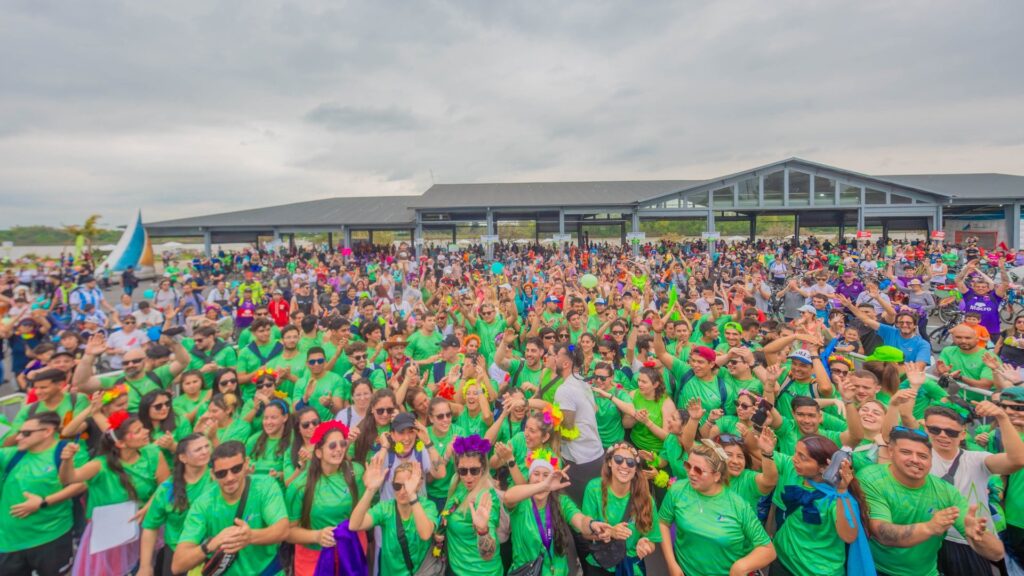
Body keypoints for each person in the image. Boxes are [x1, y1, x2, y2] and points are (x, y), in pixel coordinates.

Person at [858, 427, 1006, 576]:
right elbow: (882, 533)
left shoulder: (946, 492)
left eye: (922, 456)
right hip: (877, 570)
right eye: (906, 452)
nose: (915, 460)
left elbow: (997, 554)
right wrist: (930, 527)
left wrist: (979, 538)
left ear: (931, 459)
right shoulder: (872, 478)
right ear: (891, 451)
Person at [59, 411, 170, 576]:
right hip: (111, 532)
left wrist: (147, 508)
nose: (146, 431)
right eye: (138, 431)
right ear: (121, 444)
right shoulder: (100, 465)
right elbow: (69, 478)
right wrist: (67, 460)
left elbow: (166, 485)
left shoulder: (153, 453)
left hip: (146, 524)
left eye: (143, 428)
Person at [923, 402, 1024, 574]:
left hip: (971, 541)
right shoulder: (918, 459)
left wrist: (1002, 418)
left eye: (951, 432)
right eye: (935, 429)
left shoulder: (976, 459)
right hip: (929, 539)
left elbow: (1017, 460)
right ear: (926, 429)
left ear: (963, 434)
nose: (942, 435)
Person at [658, 440, 775, 576]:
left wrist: (740, 567)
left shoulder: (738, 505)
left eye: (698, 470)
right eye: (688, 465)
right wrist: (672, 564)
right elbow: (663, 523)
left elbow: (768, 549)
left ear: (716, 476)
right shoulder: (678, 489)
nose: (691, 473)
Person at [173, 440, 289, 575]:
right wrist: (211, 544)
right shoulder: (203, 504)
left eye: (236, 469)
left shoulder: (265, 486)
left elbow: (283, 529)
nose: (229, 478)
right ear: (212, 474)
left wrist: (250, 536)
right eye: (221, 473)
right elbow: (178, 565)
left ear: (246, 464)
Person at [771, 435, 872, 576]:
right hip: (782, 561)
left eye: (802, 457)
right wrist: (766, 451)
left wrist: (842, 492)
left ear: (824, 468)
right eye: (795, 452)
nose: (794, 458)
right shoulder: (797, 475)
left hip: (815, 571)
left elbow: (849, 536)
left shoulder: (836, 499)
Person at [0, 411, 87, 576]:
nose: (18, 438)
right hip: (8, 542)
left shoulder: (66, 452)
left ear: (47, 432)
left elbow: (81, 483)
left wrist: (43, 502)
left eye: (26, 433)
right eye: (19, 433)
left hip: (51, 537)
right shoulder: (12, 454)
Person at [285, 421, 363, 576]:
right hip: (312, 557)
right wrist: (317, 536)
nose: (339, 449)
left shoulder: (357, 473)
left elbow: (362, 516)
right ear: (318, 453)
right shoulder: (299, 486)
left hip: (349, 552)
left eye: (342, 444)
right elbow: (288, 532)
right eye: (332, 446)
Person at [581, 442, 661, 575]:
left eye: (630, 462)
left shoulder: (646, 499)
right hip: (600, 564)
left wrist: (645, 545)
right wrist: (610, 532)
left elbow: (652, 540)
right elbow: (585, 533)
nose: (624, 465)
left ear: (635, 469)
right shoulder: (594, 488)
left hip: (630, 566)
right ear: (610, 462)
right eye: (618, 459)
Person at [138, 433, 213, 576]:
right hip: (177, 554)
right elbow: (150, 526)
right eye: (198, 450)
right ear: (183, 457)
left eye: (206, 447)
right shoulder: (167, 489)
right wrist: (145, 566)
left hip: (210, 553)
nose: (205, 452)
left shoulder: (217, 478)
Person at [350, 459, 438, 576]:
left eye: (406, 486)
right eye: (397, 486)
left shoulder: (427, 506)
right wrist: (370, 490)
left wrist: (412, 495)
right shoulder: (385, 509)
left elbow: (425, 534)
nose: (402, 491)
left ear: (418, 485)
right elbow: (354, 525)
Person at [441, 434, 503, 576]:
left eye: (474, 470)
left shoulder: (485, 497)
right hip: (455, 568)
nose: (468, 477)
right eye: (463, 470)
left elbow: (488, 554)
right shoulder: (456, 481)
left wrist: (483, 531)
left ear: (483, 468)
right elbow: (448, 512)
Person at [552, 343, 604, 504]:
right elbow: (594, 409)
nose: (553, 358)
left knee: (577, 510)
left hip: (580, 461)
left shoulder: (564, 390)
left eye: (557, 355)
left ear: (566, 363)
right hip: (596, 454)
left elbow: (567, 431)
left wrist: (547, 426)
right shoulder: (582, 381)